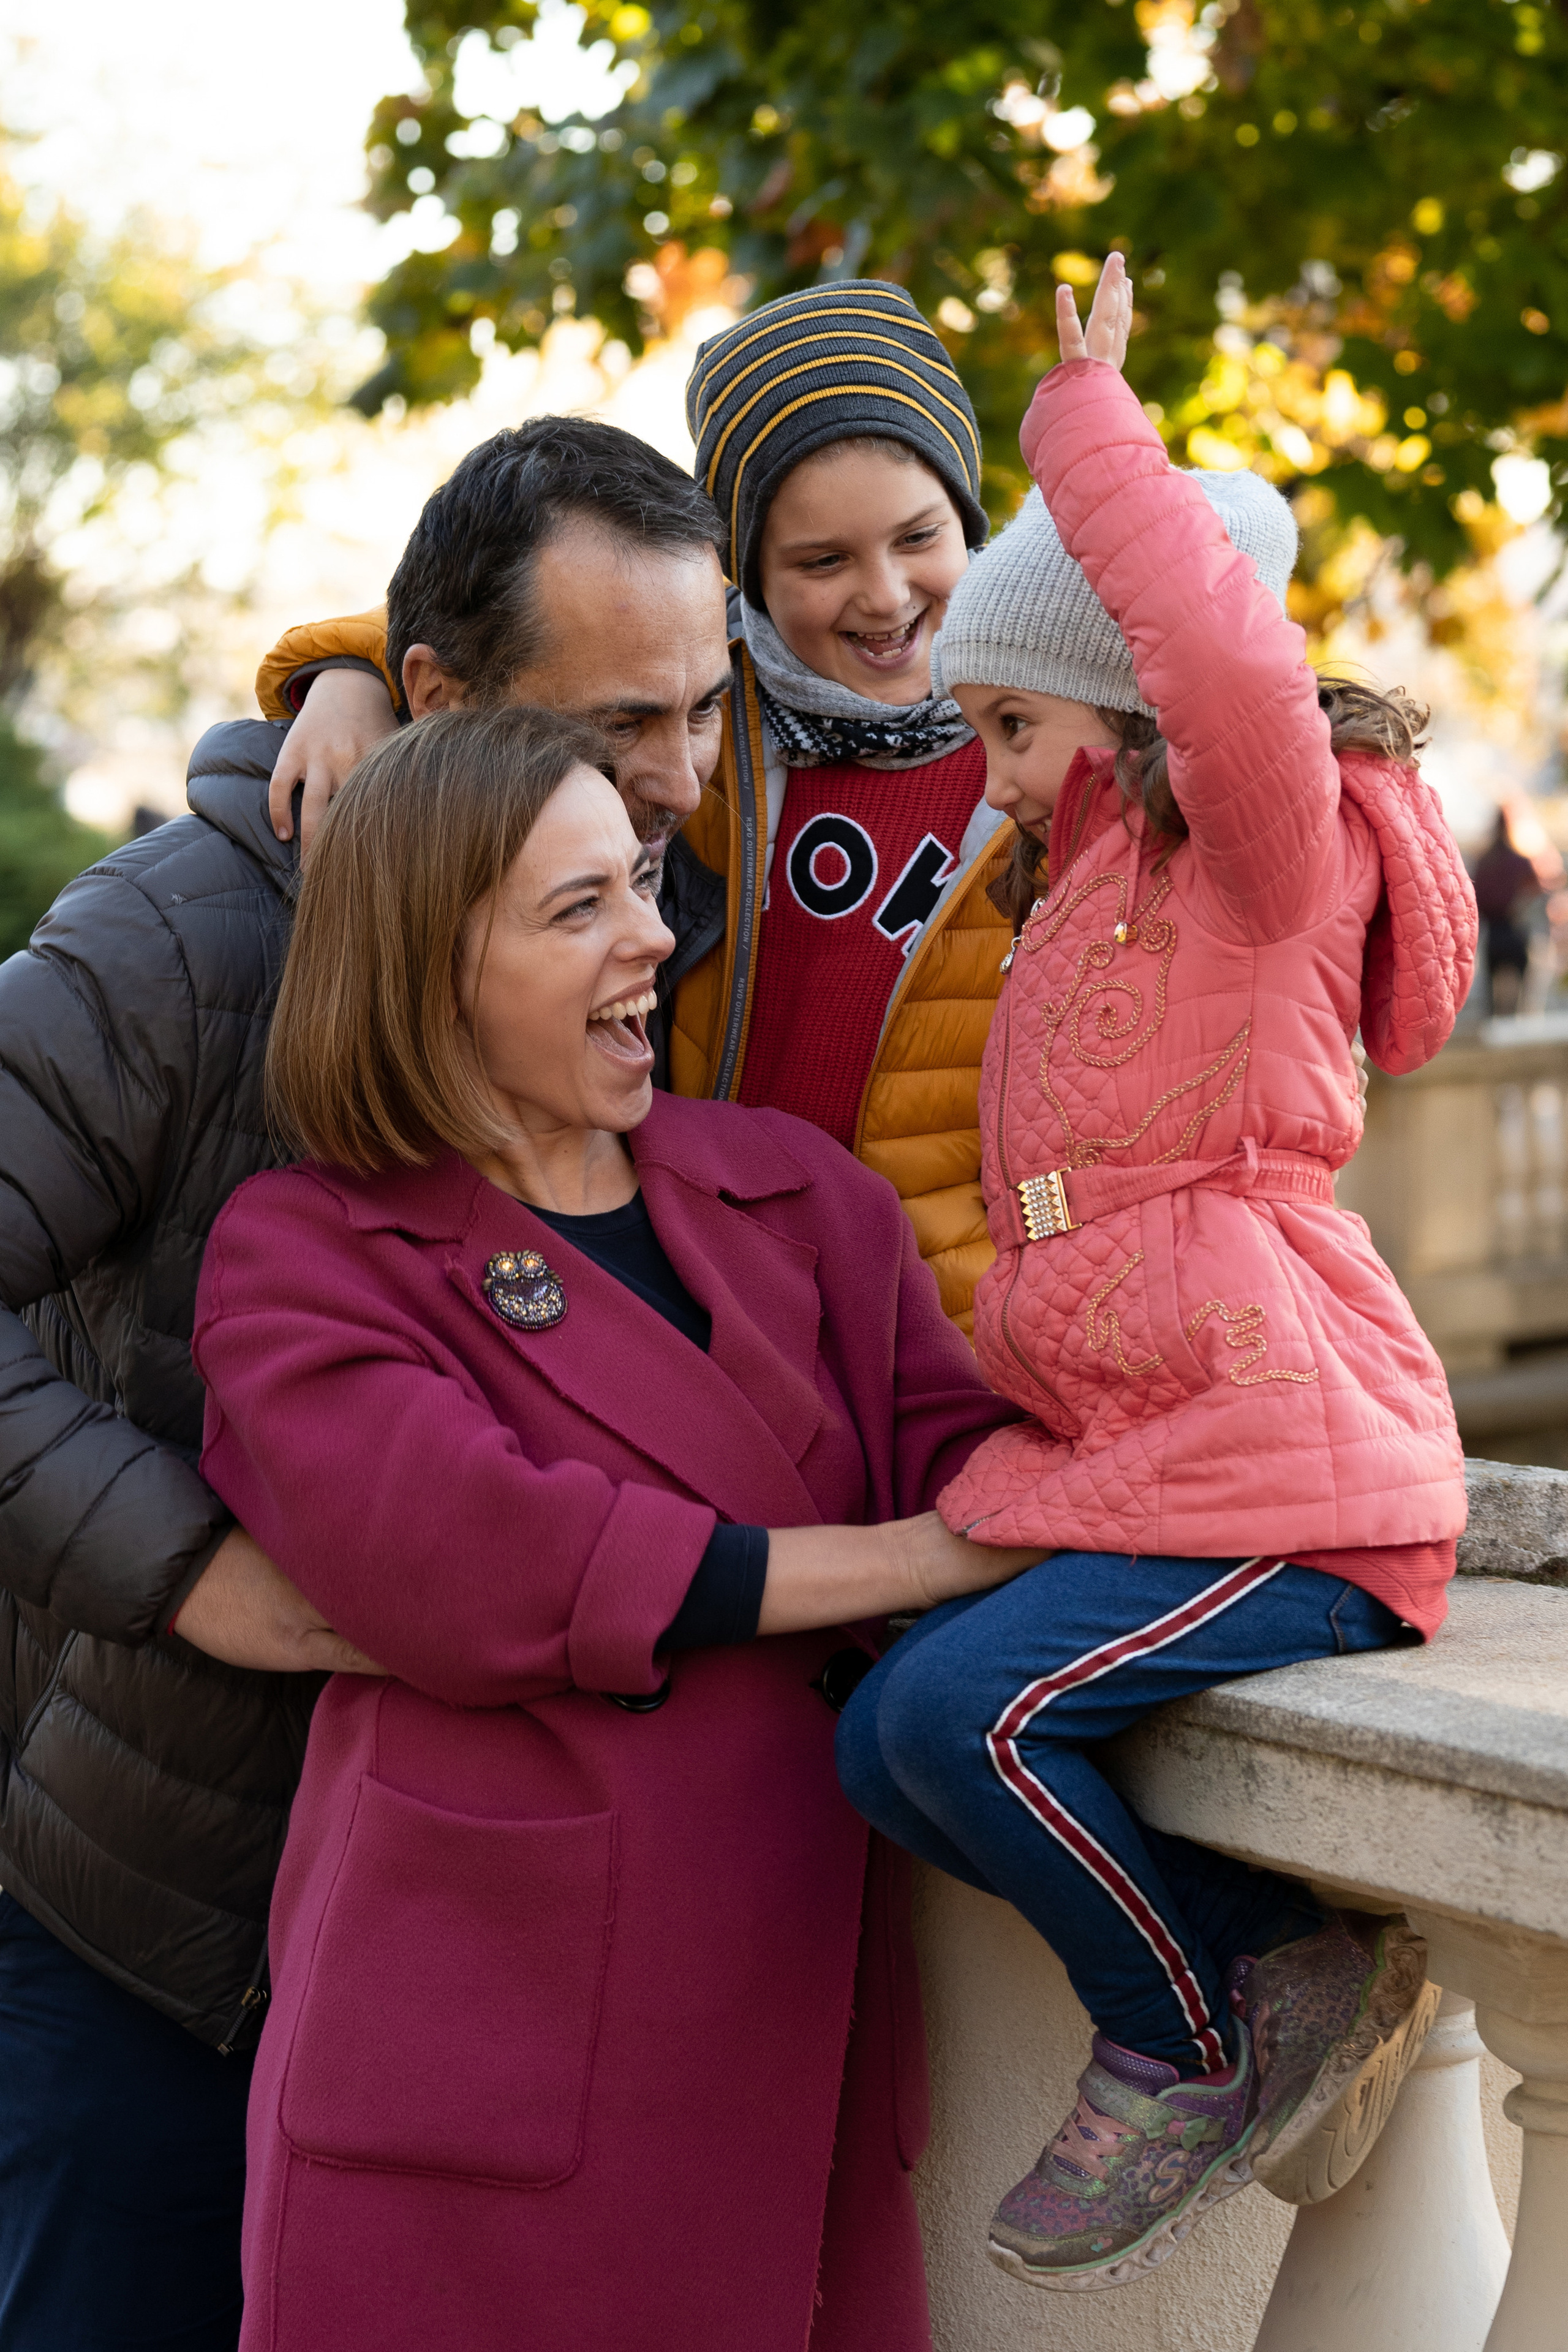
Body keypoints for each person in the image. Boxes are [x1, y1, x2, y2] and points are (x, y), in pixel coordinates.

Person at [0, 426, 733, 2350]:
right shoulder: (185, 935)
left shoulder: (675, 916)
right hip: (155, 1923)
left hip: (485, 1942)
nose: (681, 780)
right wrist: (181, 1565)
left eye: (704, 710)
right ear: (437, 697)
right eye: (621, 723)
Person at [190, 703, 1036, 2352]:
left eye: (640, 882)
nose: (652, 935)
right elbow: (481, 1560)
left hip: (793, 2035)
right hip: (473, 2093)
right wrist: (911, 1561)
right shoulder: (306, 1251)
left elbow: (975, 1458)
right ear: (430, 968)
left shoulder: (798, 1192)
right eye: (579, 907)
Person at [835, 256, 1477, 2293]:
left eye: (1012, 724)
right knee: (881, 1733)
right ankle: (1276, 1961)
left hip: (1295, 1475)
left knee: (968, 1719)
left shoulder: (1256, 845)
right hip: (1175, 1454)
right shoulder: (1095, 887)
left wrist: (1088, 429)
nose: (992, 774)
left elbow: (1218, 658)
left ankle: (1188, 2038)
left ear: (1122, 695)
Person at [254, 282, 1017, 1329]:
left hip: (942, 1300)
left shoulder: (1034, 735)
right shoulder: (723, 706)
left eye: (919, 537)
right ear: (745, 581)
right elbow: (515, 633)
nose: (884, 595)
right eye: (822, 561)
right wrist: (349, 676)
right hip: (708, 1252)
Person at [1471, 805, 1543, 1014]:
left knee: (1492, 996)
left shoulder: (1484, 862)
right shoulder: (1520, 861)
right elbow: (1535, 890)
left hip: (1493, 931)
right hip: (1514, 929)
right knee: (1521, 992)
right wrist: (1520, 907)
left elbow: (1476, 898)